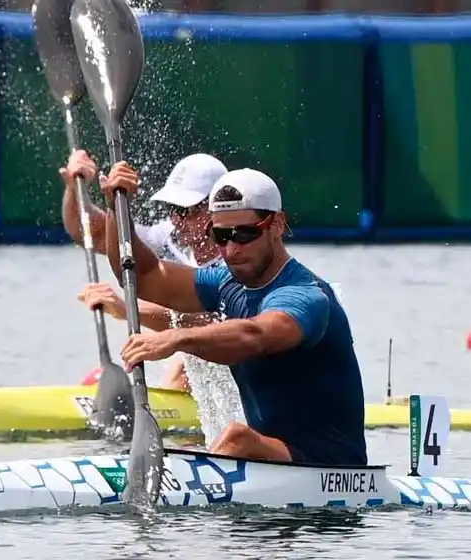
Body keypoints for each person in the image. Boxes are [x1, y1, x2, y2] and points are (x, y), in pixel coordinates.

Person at [94, 162, 367, 466]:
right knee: (237, 440)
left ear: (277, 225)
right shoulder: (225, 283)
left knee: (238, 438)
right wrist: (116, 209)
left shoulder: (305, 295)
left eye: (245, 234)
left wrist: (177, 338)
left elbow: (255, 335)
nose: (231, 249)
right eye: (221, 236)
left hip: (333, 467)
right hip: (275, 462)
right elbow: (143, 275)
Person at [61, 150, 226, 391]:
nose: (178, 220)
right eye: (173, 208)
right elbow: (92, 233)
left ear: (217, 208)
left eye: (187, 211)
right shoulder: (169, 237)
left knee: (183, 364)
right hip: (197, 361)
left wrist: (125, 308)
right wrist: (78, 190)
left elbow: (209, 325)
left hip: (233, 365)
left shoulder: (239, 258)